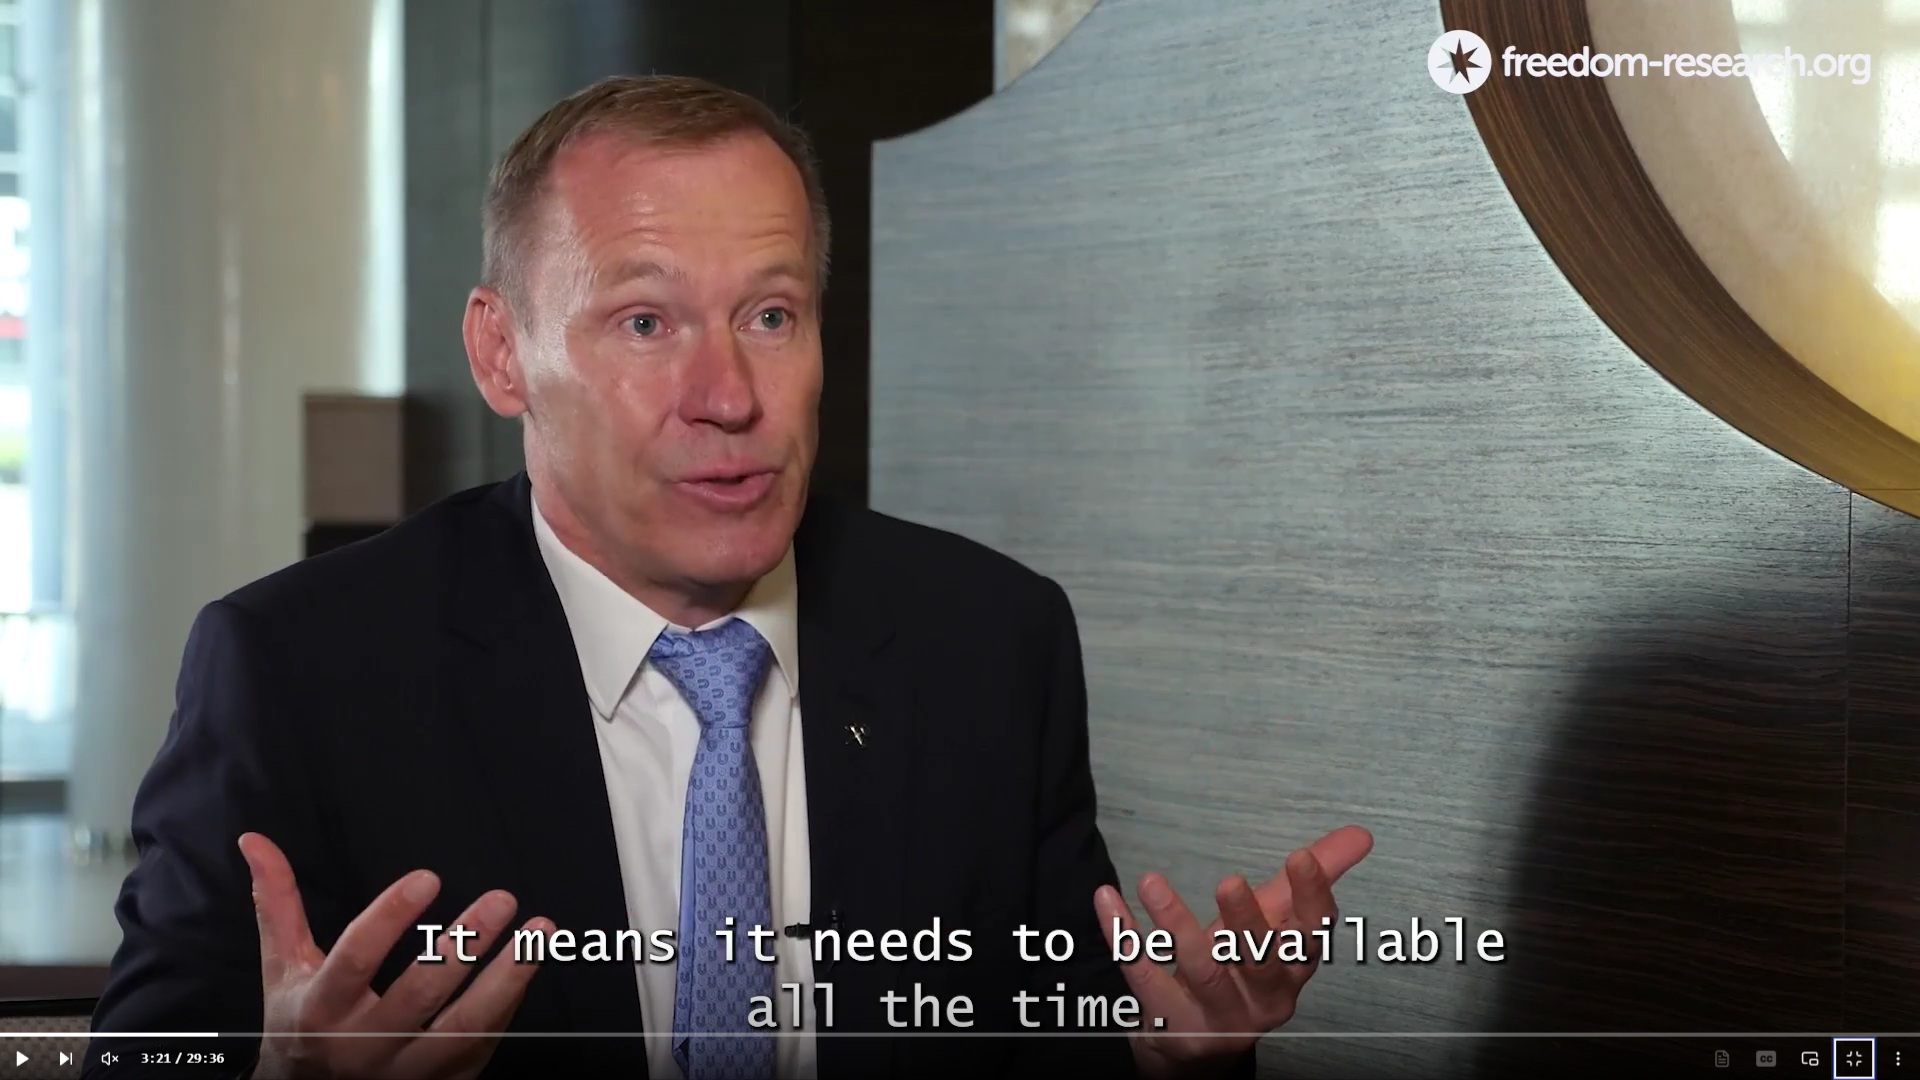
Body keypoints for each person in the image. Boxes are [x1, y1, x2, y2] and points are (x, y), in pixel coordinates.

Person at [84, 74, 1373, 1079]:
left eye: (771, 315)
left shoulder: (989, 642)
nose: (729, 396)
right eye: (647, 322)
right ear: (502, 353)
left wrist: (1171, 1056)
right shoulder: (298, 671)